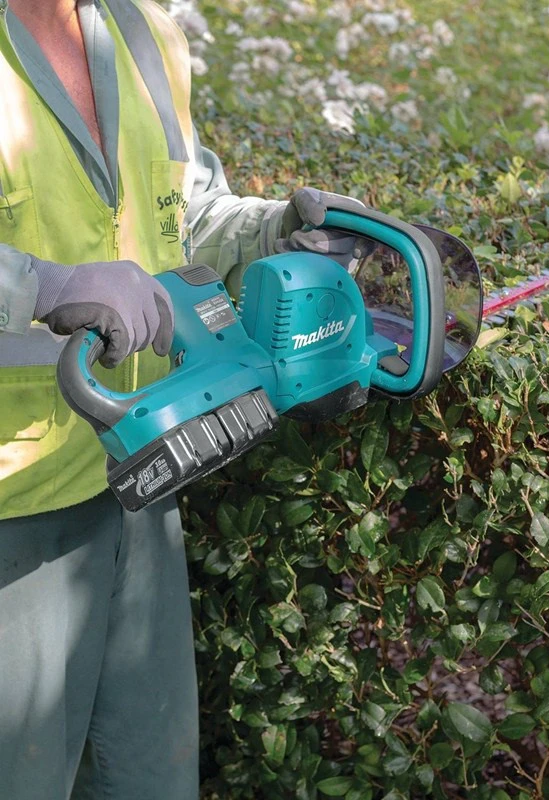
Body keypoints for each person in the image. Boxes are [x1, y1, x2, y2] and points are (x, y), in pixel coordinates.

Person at [0, 1, 365, 797]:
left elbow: (184, 213)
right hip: (13, 512)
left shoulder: (141, 30)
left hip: (138, 478)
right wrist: (43, 287)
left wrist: (271, 232)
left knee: (150, 780)